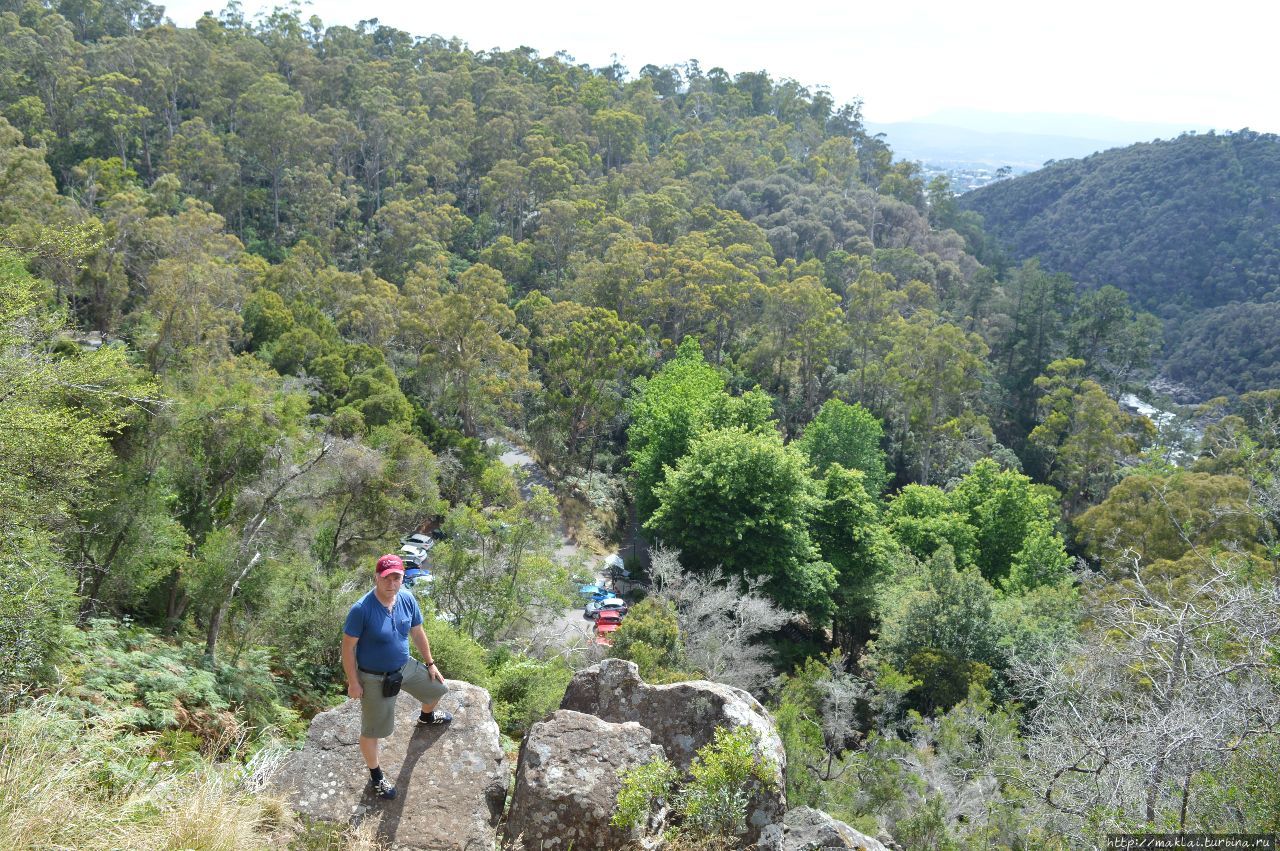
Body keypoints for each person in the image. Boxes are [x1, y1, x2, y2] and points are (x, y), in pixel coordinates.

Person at [342, 553, 451, 800]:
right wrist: (353, 681)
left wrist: (430, 663)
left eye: (397, 577)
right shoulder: (362, 609)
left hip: (404, 667)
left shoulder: (407, 599)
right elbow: (348, 648)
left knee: (438, 690)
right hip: (373, 677)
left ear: (403, 578)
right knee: (373, 731)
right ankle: (376, 776)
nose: (392, 583)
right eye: (386, 578)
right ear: (377, 578)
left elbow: (417, 632)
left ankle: (426, 716)